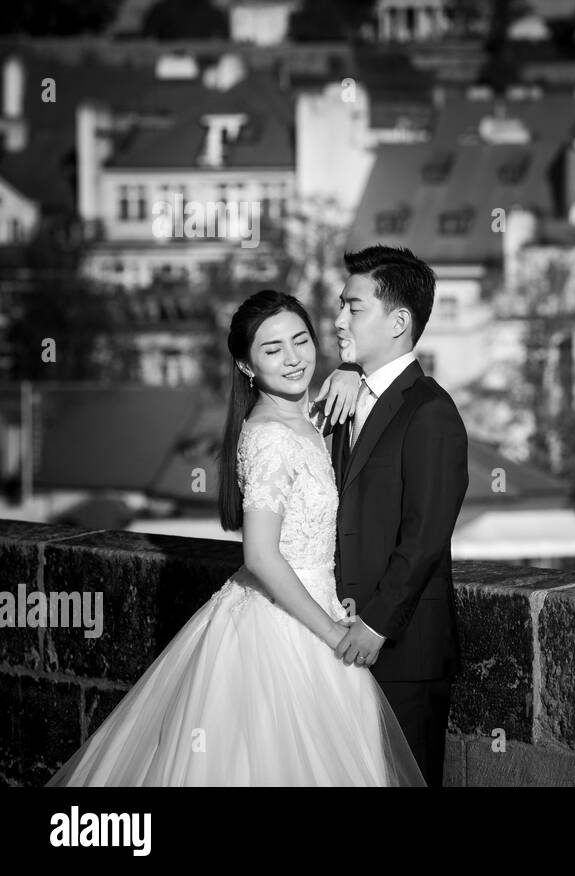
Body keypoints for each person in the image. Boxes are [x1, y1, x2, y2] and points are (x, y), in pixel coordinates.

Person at [47, 291, 424, 786]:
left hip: (320, 605)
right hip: (285, 628)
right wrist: (333, 634)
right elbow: (262, 555)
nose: (293, 358)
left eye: (301, 340)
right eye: (272, 349)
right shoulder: (268, 437)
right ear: (246, 365)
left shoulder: (308, 420)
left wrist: (350, 370)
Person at [329, 245, 469, 787]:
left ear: (399, 321)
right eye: (341, 306)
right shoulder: (344, 396)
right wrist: (343, 370)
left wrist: (376, 624)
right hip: (337, 641)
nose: (339, 319)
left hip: (404, 651)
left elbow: (425, 536)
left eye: (353, 308)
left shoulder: (431, 411)